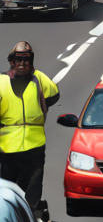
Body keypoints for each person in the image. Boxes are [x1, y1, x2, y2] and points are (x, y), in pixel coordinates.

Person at [0, 42, 59, 209]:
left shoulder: (38, 78)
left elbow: (54, 95)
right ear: (12, 61)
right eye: (19, 59)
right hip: (8, 152)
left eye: (27, 59)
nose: (23, 63)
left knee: (32, 198)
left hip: (34, 150)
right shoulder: (1, 81)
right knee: (7, 199)